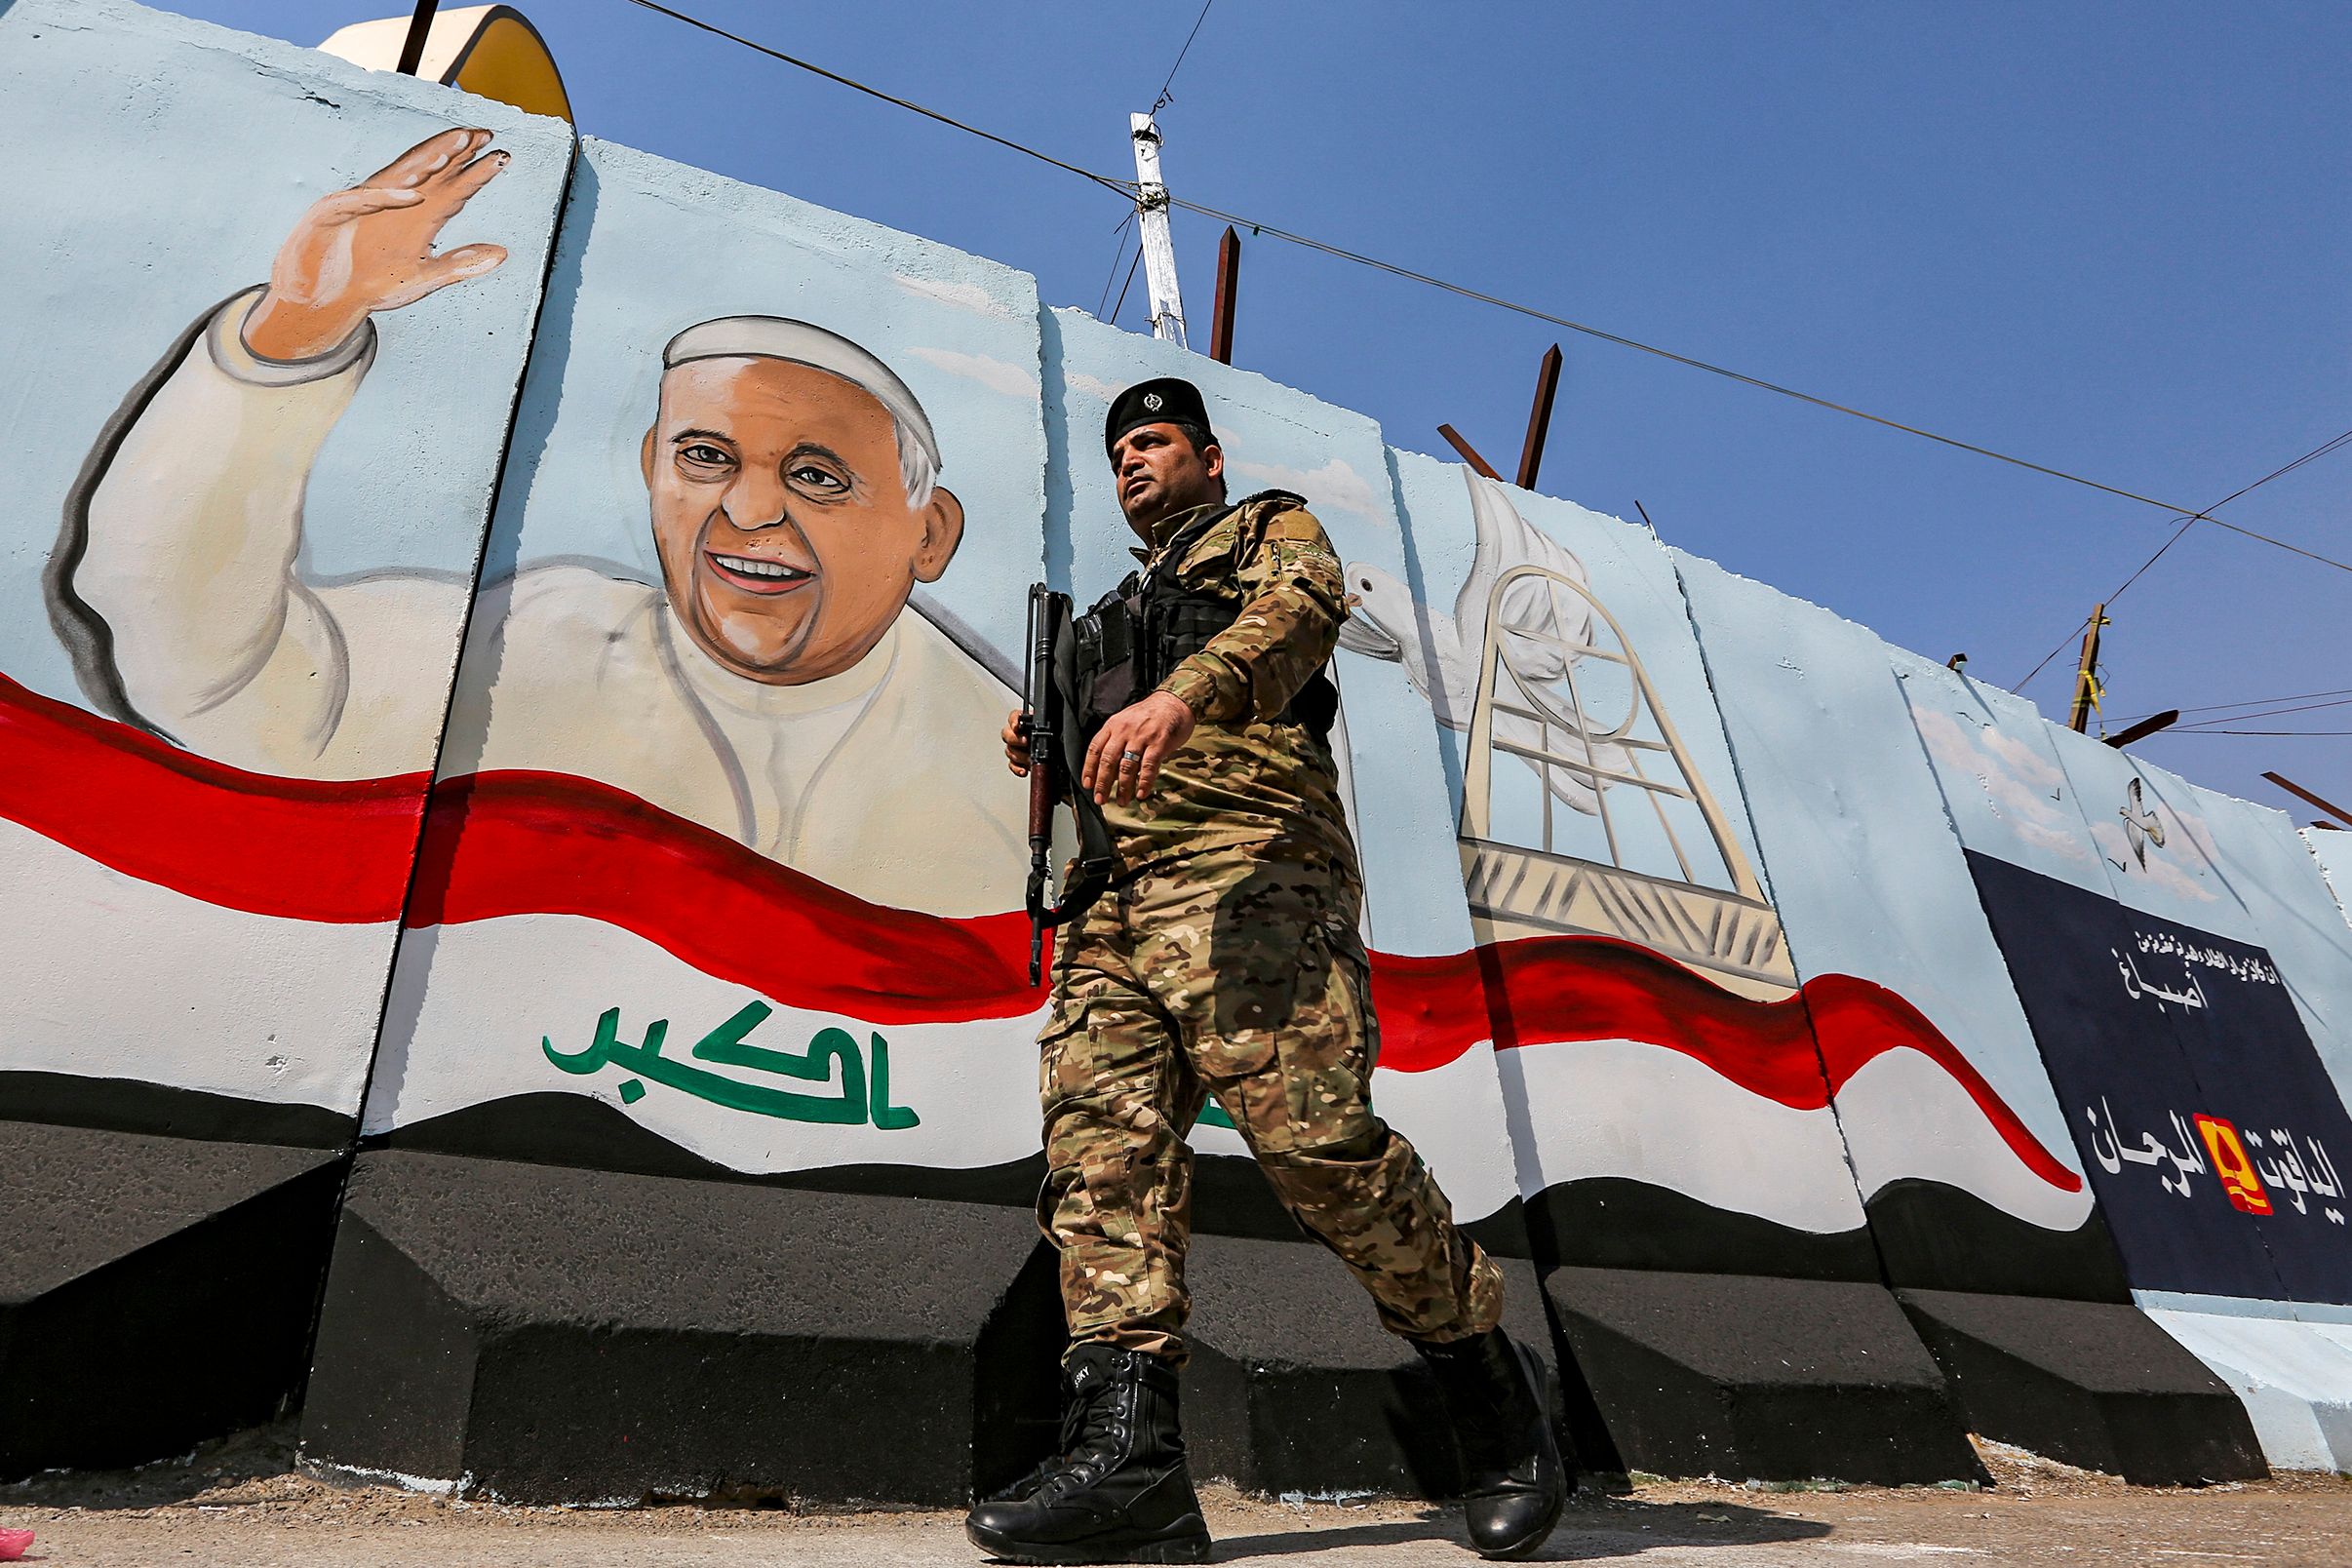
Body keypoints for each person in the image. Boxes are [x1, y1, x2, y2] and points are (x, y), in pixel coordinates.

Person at [53, 127, 1023, 918]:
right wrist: (292, 339)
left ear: (929, 532)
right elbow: (199, 665)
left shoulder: (1012, 759)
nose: (749, 511)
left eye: (816, 476)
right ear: (654, 471)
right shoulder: (537, 643)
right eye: (704, 459)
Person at [968, 378, 1567, 1563]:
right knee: (1103, 1161)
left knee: (1317, 1146)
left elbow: (1303, 608)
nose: (1133, 462)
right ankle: (1132, 1463)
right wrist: (1048, 741)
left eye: (1153, 441)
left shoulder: (1265, 529)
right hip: (1108, 900)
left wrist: (1182, 695)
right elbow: (1092, 752)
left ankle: (1494, 1402)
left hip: (1248, 876)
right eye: (1120, 451)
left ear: (1208, 454)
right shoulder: (1103, 612)